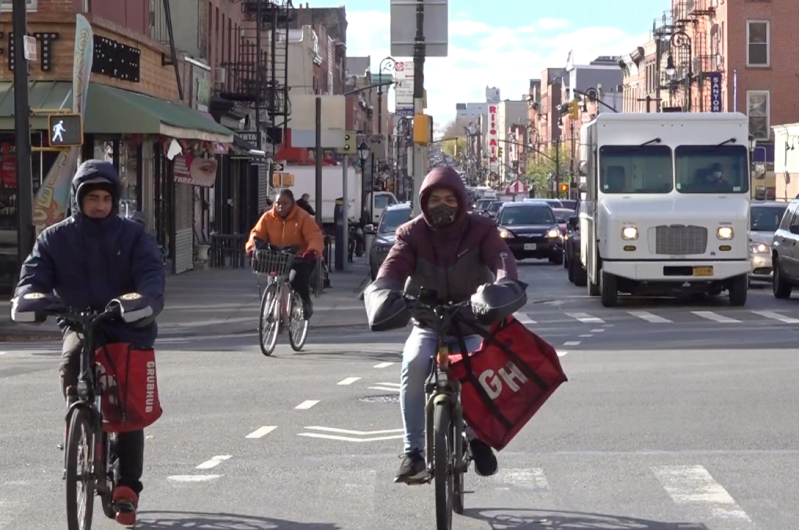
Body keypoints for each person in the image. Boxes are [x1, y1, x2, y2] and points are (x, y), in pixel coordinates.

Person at [12, 160, 165, 527]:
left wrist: (142, 301)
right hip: (80, 323)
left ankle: (127, 486)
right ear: (78, 198)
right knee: (71, 362)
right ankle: (79, 422)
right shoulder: (55, 238)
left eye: (105, 198)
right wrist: (31, 297)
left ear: (115, 199)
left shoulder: (133, 237)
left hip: (126, 325)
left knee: (127, 408)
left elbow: (151, 277)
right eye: (91, 197)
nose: (99, 204)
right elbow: (33, 275)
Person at [363, 167, 527, 483]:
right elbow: (392, 268)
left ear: (461, 201)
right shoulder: (411, 234)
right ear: (424, 202)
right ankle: (413, 454)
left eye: (450, 199)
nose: (442, 205)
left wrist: (503, 286)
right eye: (435, 199)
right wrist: (383, 290)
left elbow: (502, 259)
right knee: (412, 364)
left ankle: (478, 438)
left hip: (471, 323)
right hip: (427, 322)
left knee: (479, 371)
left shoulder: (481, 229)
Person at [246, 189, 324, 318]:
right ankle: (275, 313)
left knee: (296, 279)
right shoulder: (267, 217)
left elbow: (314, 234)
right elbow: (256, 234)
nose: (280, 206)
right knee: (271, 278)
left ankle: (306, 302)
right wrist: (251, 248)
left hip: (300, 257)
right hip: (278, 257)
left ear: (293, 203)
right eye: (278, 203)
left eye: (285, 203)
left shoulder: (303, 216)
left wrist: (312, 250)